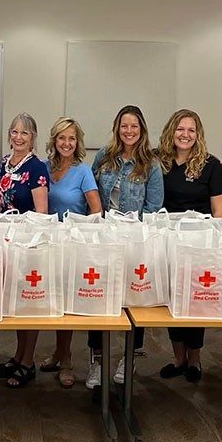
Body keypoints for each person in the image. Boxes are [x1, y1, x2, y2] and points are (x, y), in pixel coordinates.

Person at [88, 105, 163, 389]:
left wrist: (130, 230)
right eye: (124, 126)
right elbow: (92, 197)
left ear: (142, 129)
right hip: (104, 239)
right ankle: (95, 360)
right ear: (117, 128)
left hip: (135, 241)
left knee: (136, 302)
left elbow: (154, 209)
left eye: (134, 126)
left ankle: (129, 357)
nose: (129, 131)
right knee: (98, 298)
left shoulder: (151, 164)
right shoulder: (104, 157)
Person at [156, 109, 222, 383]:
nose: (185, 135)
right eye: (180, 129)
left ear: (198, 135)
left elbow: (219, 212)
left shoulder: (211, 165)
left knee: (195, 300)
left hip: (199, 243)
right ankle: (178, 358)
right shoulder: (158, 162)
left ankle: (195, 360)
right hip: (167, 241)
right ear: (171, 132)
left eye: (191, 130)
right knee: (173, 298)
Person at [40, 117, 102, 388]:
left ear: (78, 143)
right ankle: (56, 352)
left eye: (72, 138)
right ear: (54, 140)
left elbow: (97, 211)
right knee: (51, 298)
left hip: (72, 244)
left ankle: (66, 359)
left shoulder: (83, 171)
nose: (67, 143)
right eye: (62, 137)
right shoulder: (43, 168)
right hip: (47, 242)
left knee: (66, 301)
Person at [0, 113, 50, 389]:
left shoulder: (37, 168)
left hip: (27, 243)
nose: (18, 137)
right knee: (14, 299)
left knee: (29, 301)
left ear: (33, 138)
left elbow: (42, 212)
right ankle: (17, 355)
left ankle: (28, 362)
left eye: (24, 133)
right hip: (5, 241)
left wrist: (26, 238)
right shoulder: (4, 163)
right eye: (14, 132)